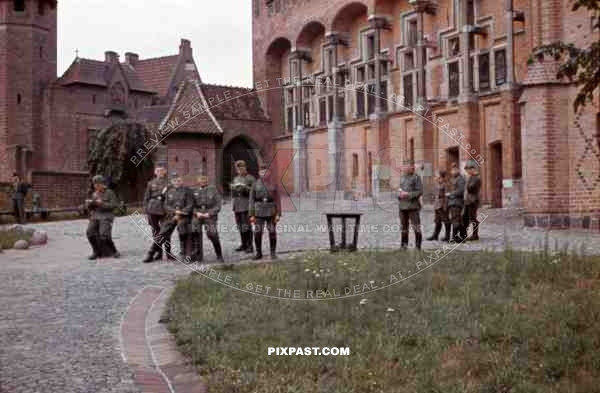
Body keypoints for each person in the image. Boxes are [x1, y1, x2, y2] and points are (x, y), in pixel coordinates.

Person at [142, 172, 192, 263]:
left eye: (179, 180)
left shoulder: (187, 191)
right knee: (163, 232)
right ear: (172, 182)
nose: (177, 182)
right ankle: (151, 252)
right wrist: (174, 212)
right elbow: (166, 205)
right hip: (171, 216)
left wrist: (180, 213)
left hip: (183, 216)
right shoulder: (169, 191)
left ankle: (184, 253)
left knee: (182, 229)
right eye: (175, 180)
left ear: (182, 181)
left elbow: (190, 205)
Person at [249, 163, 281, 260]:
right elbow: (251, 200)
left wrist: (278, 214)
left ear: (269, 173)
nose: (264, 173)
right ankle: (259, 253)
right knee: (258, 232)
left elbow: (277, 200)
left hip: (271, 211)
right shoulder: (255, 184)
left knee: (272, 231)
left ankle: (273, 252)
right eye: (262, 172)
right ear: (259, 173)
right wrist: (251, 215)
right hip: (258, 211)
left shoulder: (274, 184)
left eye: (265, 172)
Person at [190, 174, 224, 263]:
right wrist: (196, 213)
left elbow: (218, 205)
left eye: (204, 180)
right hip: (198, 215)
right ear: (198, 181)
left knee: (213, 234)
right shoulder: (194, 191)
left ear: (207, 180)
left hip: (209, 215)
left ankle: (219, 255)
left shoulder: (213, 190)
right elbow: (191, 205)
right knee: (195, 231)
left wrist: (209, 214)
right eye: (201, 180)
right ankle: (198, 257)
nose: (202, 181)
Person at [85, 175, 120, 260]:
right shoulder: (94, 194)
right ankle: (96, 251)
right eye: (95, 185)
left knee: (104, 234)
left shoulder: (110, 193)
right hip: (96, 216)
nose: (96, 186)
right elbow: (92, 208)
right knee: (89, 232)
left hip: (106, 215)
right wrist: (89, 204)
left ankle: (114, 251)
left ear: (102, 184)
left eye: (98, 184)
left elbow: (113, 205)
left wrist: (101, 203)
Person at [143, 165, 173, 261]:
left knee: (165, 231)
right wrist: (146, 211)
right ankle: (158, 253)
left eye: (162, 170)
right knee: (155, 231)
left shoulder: (169, 183)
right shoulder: (151, 183)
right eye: (158, 170)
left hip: (165, 209)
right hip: (152, 208)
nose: (160, 172)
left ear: (165, 172)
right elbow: (146, 198)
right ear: (155, 172)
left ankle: (168, 253)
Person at [231, 160, 256, 254]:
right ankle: (243, 244)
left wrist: (245, 187)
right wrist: (233, 188)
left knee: (247, 226)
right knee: (240, 226)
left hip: (246, 205)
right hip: (237, 205)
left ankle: (250, 246)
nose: (240, 170)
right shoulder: (236, 178)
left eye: (242, 168)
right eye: (238, 169)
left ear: (245, 168)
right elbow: (233, 194)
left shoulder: (250, 178)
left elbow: (254, 191)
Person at [397, 160, 423, 250]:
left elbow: (419, 191)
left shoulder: (416, 178)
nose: (404, 168)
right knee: (403, 227)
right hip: (402, 206)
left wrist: (408, 194)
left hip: (413, 206)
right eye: (403, 166)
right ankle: (403, 246)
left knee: (416, 226)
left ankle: (418, 247)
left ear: (411, 167)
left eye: (406, 166)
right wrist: (399, 195)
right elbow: (399, 189)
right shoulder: (402, 177)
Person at [427, 169, 451, 242]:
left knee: (446, 221)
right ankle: (435, 235)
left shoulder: (446, 184)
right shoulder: (437, 184)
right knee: (437, 221)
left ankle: (447, 236)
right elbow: (435, 194)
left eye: (437, 176)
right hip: (437, 205)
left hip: (442, 205)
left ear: (441, 177)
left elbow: (447, 196)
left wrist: (445, 206)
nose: (436, 177)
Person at [463, 160, 482, 241]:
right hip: (468, 200)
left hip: (473, 200)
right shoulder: (471, 177)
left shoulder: (476, 178)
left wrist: (467, 181)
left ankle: (475, 235)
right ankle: (464, 234)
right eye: (466, 170)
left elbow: (470, 188)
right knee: (465, 217)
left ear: (472, 169)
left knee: (473, 218)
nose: (467, 172)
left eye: (468, 170)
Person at [447, 162, 466, 243]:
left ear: (458, 170)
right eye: (452, 170)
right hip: (452, 202)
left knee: (455, 219)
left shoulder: (460, 179)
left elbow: (461, 191)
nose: (453, 171)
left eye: (454, 170)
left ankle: (455, 237)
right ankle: (463, 236)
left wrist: (450, 194)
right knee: (457, 219)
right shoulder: (453, 179)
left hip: (457, 202)